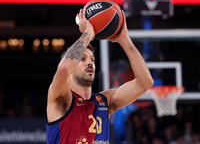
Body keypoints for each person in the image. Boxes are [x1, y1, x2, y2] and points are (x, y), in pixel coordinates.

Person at [46, 7, 154, 144]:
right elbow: (64, 67)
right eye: (83, 59)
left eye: (92, 60)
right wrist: (88, 34)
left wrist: (124, 39)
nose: (90, 63)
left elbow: (145, 83)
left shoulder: (104, 102)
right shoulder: (61, 98)